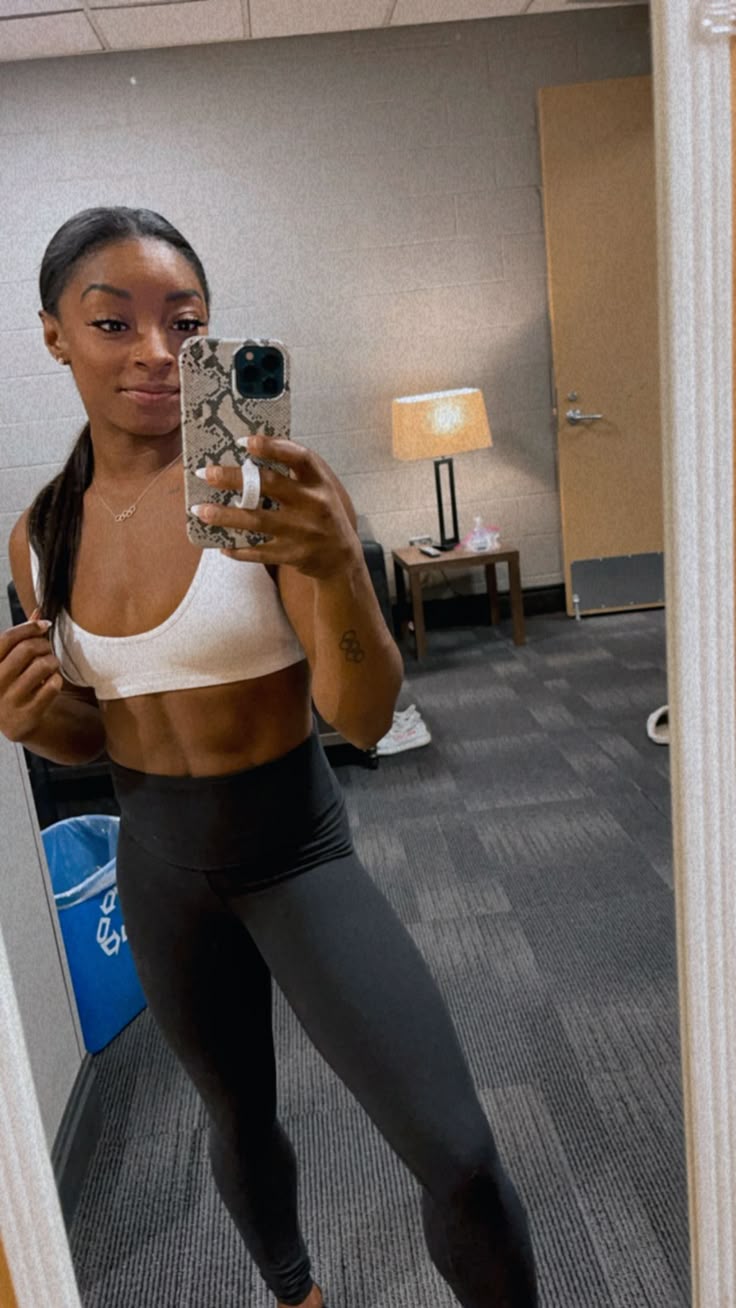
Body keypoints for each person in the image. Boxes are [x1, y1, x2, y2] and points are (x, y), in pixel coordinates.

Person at [0, 207, 538, 1308]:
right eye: (113, 322)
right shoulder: (42, 533)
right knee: (237, 1115)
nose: (156, 351)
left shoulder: (265, 489)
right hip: (159, 868)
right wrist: (29, 720)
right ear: (56, 335)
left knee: (458, 1154)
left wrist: (337, 565)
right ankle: (297, 1296)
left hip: (296, 852)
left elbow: (366, 715)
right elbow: (91, 734)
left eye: (184, 321)